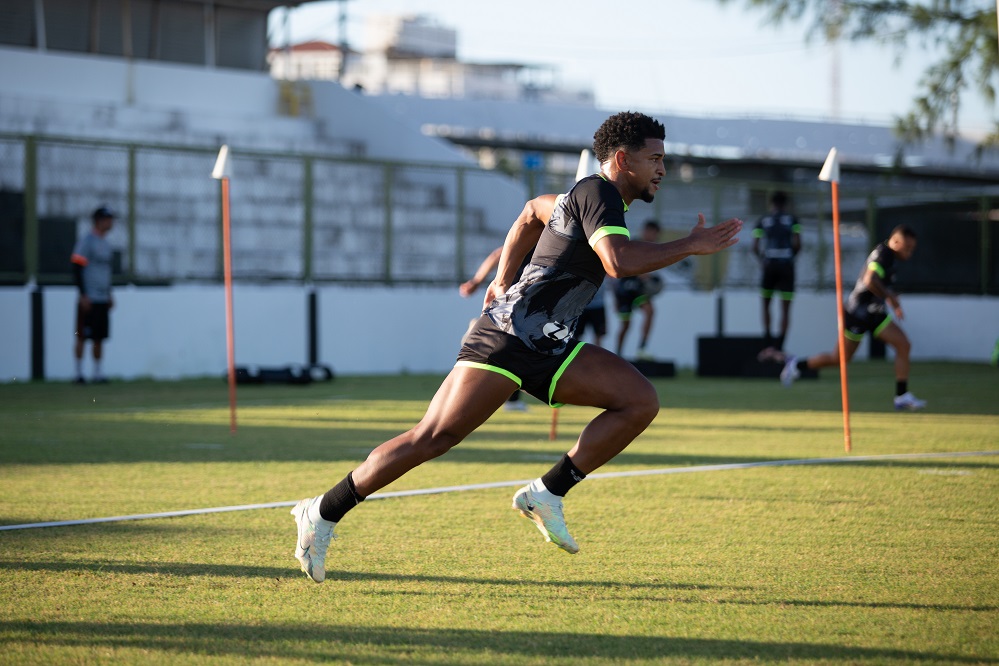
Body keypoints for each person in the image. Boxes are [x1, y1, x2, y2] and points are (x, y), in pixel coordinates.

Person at [290, 111, 743, 583]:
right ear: (624, 160)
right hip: (506, 338)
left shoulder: (592, 199)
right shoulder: (599, 193)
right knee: (434, 437)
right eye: (655, 159)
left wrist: (503, 277)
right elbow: (617, 262)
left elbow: (531, 210)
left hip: (550, 346)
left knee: (639, 400)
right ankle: (321, 511)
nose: (663, 169)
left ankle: (546, 494)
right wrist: (690, 245)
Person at [774, 224, 926, 411]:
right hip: (857, 313)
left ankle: (902, 396)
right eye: (907, 247)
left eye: (912, 249)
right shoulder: (884, 253)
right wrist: (890, 298)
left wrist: (890, 299)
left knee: (903, 344)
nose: (909, 253)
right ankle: (796, 365)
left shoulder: (890, 258)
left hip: (874, 313)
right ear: (895, 241)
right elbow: (870, 279)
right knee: (839, 359)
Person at [459, 245, 530, 411]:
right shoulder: (540, 238)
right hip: (516, 302)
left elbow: (496, 255)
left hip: (517, 302)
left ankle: (511, 400)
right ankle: (478, 336)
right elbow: (498, 254)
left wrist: (476, 281)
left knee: (513, 352)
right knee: (514, 350)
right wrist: (476, 281)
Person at [71, 206, 116, 384]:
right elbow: (76, 266)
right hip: (88, 298)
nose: (111, 223)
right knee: (81, 336)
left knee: (99, 337)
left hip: (102, 298)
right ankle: (78, 373)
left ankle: (97, 373)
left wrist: (109, 293)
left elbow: (105, 272)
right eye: (108, 219)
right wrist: (83, 294)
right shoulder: (87, 241)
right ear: (99, 221)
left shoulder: (106, 244)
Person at [753, 191, 801, 351]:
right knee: (785, 309)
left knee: (766, 305)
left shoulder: (763, 220)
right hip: (786, 266)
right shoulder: (792, 220)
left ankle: (767, 344)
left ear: (771, 204)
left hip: (769, 265)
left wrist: (763, 260)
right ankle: (780, 347)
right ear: (785, 204)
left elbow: (755, 246)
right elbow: (797, 244)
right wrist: (790, 257)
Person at [614, 219, 664, 359]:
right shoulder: (633, 245)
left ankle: (642, 347)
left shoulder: (656, 249)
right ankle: (618, 354)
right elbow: (621, 265)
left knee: (650, 311)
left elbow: (649, 273)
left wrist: (650, 279)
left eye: (654, 233)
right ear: (644, 231)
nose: (651, 235)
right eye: (649, 231)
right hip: (625, 289)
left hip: (638, 290)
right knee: (625, 325)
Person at [576, 280, 608, 347]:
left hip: (598, 307)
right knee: (576, 334)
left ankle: (597, 353)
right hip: (581, 307)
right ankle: (576, 352)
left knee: (599, 334)